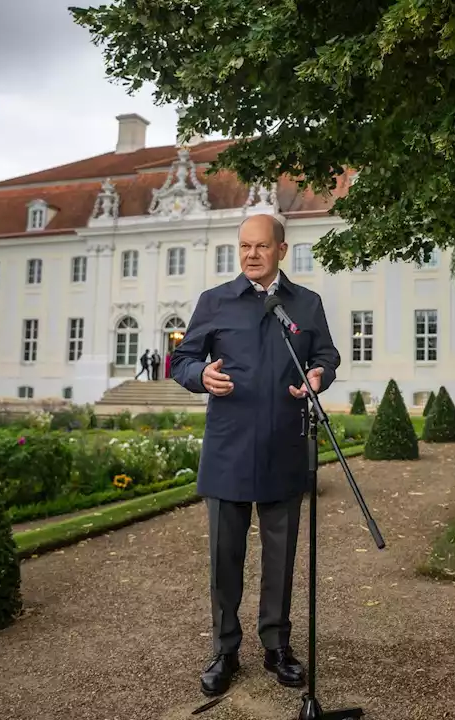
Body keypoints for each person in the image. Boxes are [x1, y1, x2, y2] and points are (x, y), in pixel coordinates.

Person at [169, 214, 340, 697]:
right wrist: (200, 375)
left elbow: (326, 355)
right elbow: (180, 359)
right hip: (227, 452)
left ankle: (276, 647)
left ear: (281, 251)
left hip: (284, 448)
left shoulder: (306, 305)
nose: (251, 255)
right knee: (226, 560)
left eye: (261, 246)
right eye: (244, 246)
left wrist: (319, 377)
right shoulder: (214, 301)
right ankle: (225, 650)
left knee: (281, 558)